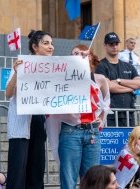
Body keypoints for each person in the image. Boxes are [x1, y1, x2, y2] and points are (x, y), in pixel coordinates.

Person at [45, 44, 110, 189]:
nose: (79, 55)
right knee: (69, 178)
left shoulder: (100, 79)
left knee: (92, 179)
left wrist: (102, 118)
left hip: (92, 132)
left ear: (90, 57)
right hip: (70, 131)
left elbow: (106, 102)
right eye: (75, 53)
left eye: (83, 53)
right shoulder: (63, 79)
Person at [5, 30, 53, 189]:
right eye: (46, 43)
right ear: (35, 46)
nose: (51, 47)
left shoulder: (56, 68)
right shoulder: (21, 65)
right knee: (18, 168)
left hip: (39, 119)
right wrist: (17, 73)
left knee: (36, 166)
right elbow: (8, 93)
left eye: (52, 43)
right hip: (21, 121)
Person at [95, 32, 140, 127]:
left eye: (116, 44)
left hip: (128, 113)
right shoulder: (100, 65)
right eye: (111, 44)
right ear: (105, 45)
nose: (114, 47)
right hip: (110, 114)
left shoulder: (128, 66)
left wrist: (119, 81)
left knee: (129, 141)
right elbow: (108, 86)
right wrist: (130, 88)